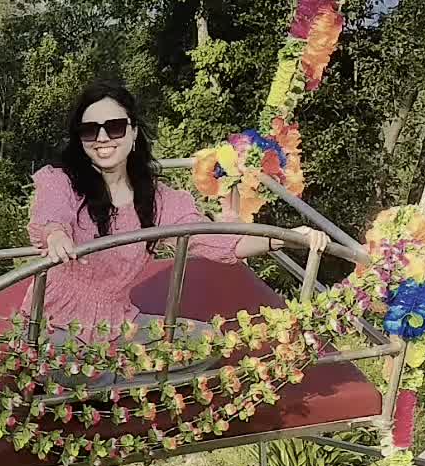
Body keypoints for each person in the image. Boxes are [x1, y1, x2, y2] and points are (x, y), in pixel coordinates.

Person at [26, 80, 324, 338]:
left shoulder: (159, 201)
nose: (102, 138)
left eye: (114, 128)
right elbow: (52, 214)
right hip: (56, 320)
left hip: (116, 321)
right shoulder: (61, 181)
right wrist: (56, 235)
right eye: (90, 131)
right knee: (88, 376)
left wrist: (283, 237)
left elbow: (218, 240)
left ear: (133, 133)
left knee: (207, 341)